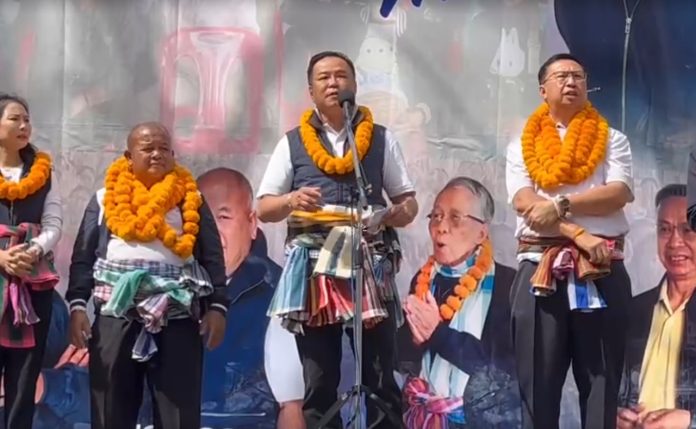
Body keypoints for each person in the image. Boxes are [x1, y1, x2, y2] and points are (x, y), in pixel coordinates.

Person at [257, 50, 418, 429]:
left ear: (354, 85)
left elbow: (409, 203)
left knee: (381, 373)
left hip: (368, 264)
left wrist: (393, 214)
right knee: (319, 377)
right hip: (315, 271)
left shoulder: (381, 138)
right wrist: (291, 200)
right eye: (324, 77)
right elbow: (264, 208)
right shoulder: (292, 143)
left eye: (341, 75)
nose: (333, 83)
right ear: (311, 91)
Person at [65, 121, 228, 429]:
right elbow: (83, 258)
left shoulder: (191, 199)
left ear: (173, 155)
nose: (157, 154)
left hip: (177, 315)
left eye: (164, 149)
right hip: (116, 314)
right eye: (148, 148)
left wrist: (217, 306)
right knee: (110, 408)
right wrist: (77, 306)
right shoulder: (104, 199)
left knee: (178, 413)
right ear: (128, 157)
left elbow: (212, 257)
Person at [505, 53, 634, 428]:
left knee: (601, 384)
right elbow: (525, 202)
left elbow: (619, 192)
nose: (571, 82)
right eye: (561, 76)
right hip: (540, 269)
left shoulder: (612, 139)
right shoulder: (521, 145)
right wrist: (577, 232)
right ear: (542, 90)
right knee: (538, 387)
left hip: (601, 268)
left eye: (578, 75)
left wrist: (560, 205)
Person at [397, 177, 521, 428]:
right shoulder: (423, 280)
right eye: (436, 216)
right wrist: (411, 336)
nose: (441, 227)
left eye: (455, 218)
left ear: (481, 233)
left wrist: (438, 334)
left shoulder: (508, 285)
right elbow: (404, 361)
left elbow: (503, 373)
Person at [197, 167, 304, 429]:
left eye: (223, 217)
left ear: (252, 224)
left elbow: (292, 407)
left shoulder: (279, 293)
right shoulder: (168, 288)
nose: (212, 233)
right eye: (202, 219)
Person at [0, 93, 62, 429]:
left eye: (26, 119)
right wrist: (1, 257)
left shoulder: (43, 171)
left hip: (32, 283)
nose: (24, 125)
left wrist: (31, 251)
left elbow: (54, 223)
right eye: (14, 119)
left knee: (24, 381)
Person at [618, 184, 696, 429]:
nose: (674, 242)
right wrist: (614, 414)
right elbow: (609, 388)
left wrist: (688, 420)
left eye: (687, 230)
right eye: (665, 229)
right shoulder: (634, 311)